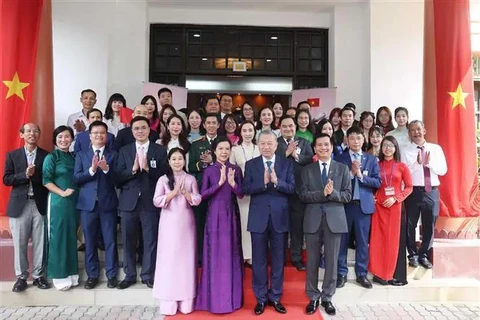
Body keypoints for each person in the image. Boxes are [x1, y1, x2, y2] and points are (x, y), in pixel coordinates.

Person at [298, 133, 352, 316]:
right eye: (319, 145)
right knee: (312, 260)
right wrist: (322, 194)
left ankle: (327, 297)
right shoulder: (307, 170)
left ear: (331, 147)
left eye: (326, 145)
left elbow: (347, 196)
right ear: (315, 149)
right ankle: (313, 296)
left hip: (334, 221)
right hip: (313, 219)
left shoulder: (343, 169)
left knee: (332, 261)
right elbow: (303, 195)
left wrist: (332, 193)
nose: (323, 148)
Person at [243, 130, 295, 315]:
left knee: (278, 260)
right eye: (262, 143)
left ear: (276, 145)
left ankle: (275, 297)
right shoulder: (251, 165)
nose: (266, 147)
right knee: (258, 261)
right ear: (259, 145)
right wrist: (263, 184)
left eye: (269, 143)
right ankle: (261, 298)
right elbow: (245, 188)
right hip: (258, 219)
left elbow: (292, 188)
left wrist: (277, 181)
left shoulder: (286, 164)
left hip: (280, 218)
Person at [115, 116, 168, 289]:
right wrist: (132, 170)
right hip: (128, 203)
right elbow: (117, 178)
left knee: (150, 240)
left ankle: (148, 275)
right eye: (136, 128)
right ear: (132, 131)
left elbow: (165, 175)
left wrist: (147, 169)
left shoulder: (159, 150)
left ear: (149, 130)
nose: (140, 131)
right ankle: (129, 275)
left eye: (143, 128)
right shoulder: (124, 151)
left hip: (149, 201)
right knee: (128, 240)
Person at [195, 136, 244, 314]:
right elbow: (202, 195)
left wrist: (231, 183)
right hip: (214, 216)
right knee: (215, 256)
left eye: (227, 149)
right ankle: (214, 300)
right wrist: (219, 184)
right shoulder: (209, 171)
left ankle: (232, 299)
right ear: (214, 151)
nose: (224, 152)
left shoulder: (235, 170)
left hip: (231, 215)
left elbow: (241, 193)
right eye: (221, 149)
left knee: (230, 255)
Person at [152, 148, 201, 315]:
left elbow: (197, 199)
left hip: (186, 224)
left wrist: (186, 193)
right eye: (174, 159)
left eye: (180, 158)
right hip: (168, 224)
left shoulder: (190, 178)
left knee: (186, 260)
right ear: (169, 161)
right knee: (169, 260)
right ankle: (168, 298)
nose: (177, 162)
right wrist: (172, 193)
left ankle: (187, 297)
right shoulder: (163, 179)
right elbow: (156, 201)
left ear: (184, 161)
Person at [3, 123, 50, 292]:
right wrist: (24, 175)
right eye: (28, 131)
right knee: (20, 242)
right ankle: (21, 277)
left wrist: (34, 175)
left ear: (39, 134)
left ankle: (38, 276)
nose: (32, 134)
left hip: (39, 203)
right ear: (21, 134)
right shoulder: (13, 155)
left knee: (40, 241)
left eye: (36, 131)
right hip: (19, 205)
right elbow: (6, 179)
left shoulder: (46, 156)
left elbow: (48, 179)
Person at [73, 121, 119, 289]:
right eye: (95, 133)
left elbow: (118, 180)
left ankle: (112, 275)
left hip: (107, 203)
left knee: (110, 240)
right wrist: (92, 170)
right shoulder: (81, 155)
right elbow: (76, 179)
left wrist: (106, 169)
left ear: (106, 136)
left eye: (102, 133)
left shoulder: (113, 154)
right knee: (90, 241)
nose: (99, 135)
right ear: (89, 136)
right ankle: (92, 275)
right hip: (87, 204)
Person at [335, 126, 381, 289]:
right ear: (347, 140)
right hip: (345, 206)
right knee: (342, 241)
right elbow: (336, 182)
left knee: (362, 241)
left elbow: (377, 182)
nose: (355, 141)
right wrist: (351, 174)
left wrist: (361, 176)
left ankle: (362, 274)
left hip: (363, 207)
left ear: (363, 140)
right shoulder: (340, 158)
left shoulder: (371, 159)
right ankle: (341, 273)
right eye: (352, 138)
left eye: (358, 138)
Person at [401, 120, 447, 269]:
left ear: (424, 130)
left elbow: (443, 170)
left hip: (431, 191)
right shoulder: (405, 150)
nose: (416, 132)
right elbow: (403, 172)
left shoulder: (435, 149)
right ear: (409, 133)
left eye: (419, 129)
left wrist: (428, 164)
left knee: (429, 224)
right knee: (410, 224)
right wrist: (416, 163)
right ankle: (412, 254)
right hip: (413, 191)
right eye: (413, 130)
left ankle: (424, 255)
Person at [369, 136, 413, 286]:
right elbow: (373, 184)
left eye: (391, 145)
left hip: (395, 207)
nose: (387, 148)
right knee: (378, 240)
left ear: (395, 148)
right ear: (381, 148)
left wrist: (396, 198)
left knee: (394, 241)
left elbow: (409, 187)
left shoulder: (401, 166)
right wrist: (373, 197)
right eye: (385, 145)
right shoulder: (377, 164)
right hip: (379, 207)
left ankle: (396, 275)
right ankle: (379, 274)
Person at [43, 125, 79, 290]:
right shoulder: (52, 157)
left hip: (74, 202)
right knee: (58, 237)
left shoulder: (74, 156)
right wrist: (62, 193)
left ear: (72, 139)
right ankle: (59, 275)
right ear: (55, 140)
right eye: (60, 137)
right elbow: (46, 180)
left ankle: (71, 272)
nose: (64, 140)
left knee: (71, 237)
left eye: (67, 136)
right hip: (58, 202)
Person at [275, 116, 313, 271]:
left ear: (295, 126)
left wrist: (296, 155)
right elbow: (271, 162)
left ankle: (296, 258)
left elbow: (311, 160)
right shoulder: (275, 143)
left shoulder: (303, 143)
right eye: (284, 126)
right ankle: (280, 257)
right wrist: (286, 153)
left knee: (297, 228)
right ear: (280, 128)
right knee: (280, 227)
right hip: (280, 191)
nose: (288, 129)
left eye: (290, 126)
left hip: (298, 192)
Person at [188, 113, 220, 264]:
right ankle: (201, 257)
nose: (212, 125)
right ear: (204, 125)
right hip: (202, 188)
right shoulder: (196, 144)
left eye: (214, 123)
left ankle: (217, 255)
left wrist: (213, 160)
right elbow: (190, 166)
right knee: (200, 223)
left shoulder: (223, 142)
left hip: (220, 189)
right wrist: (205, 164)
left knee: (218, 224)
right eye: (209, 123)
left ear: (218, 125)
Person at [230, 121, 260, 266]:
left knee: (256, 224)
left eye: (250, 130)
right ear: (240, 132)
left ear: (254, 132)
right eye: (245, 130)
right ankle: (244, 255)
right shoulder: (235, 150)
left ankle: (254, 255)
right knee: (243, 224)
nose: (248, 133)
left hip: (258, 192)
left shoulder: (259, 148)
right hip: (242, 193)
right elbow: (231, 170)